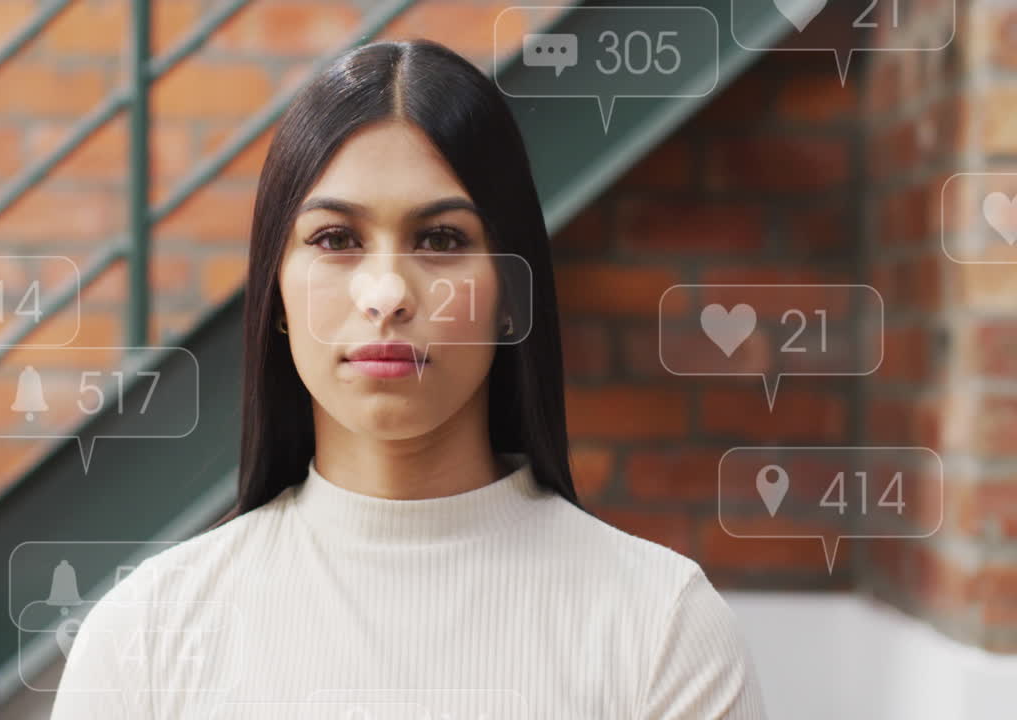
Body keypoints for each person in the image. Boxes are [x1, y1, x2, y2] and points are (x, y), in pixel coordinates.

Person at [51, 38, 767, 719]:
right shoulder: (145, 638)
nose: (388, 293)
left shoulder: (661, 629)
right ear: (276, 293)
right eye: (336, 240)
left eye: (441, 239)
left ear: (511, 292)